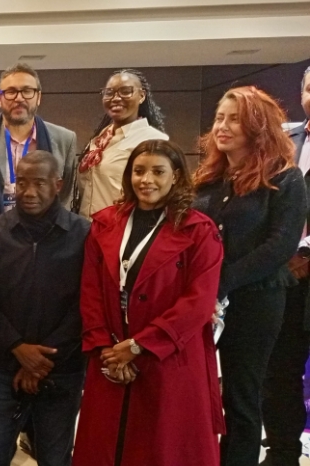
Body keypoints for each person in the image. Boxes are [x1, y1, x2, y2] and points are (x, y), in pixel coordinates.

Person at [75, 140, 225, 465]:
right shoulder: (105, 223)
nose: (146, 180)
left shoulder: (200, 231)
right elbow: (90, 292)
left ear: (176, 176)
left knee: (162, 449)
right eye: (139, 171)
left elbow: (198, 303)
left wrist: (139, 346)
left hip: (169, 356)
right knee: (105, 446)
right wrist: (106, 349)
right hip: (111, 355)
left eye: (158, 172)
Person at [192, 87, 307, 466]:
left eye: (234, 119)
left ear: (258, 125)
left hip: (256, 301)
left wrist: (220, 283)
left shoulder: (285, 178)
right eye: (219, 118)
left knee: (241, 399)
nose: (222, 127)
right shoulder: (207, 178)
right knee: (199, 395)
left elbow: (280, 246)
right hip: (202, 301)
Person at [0, 151, 89, 466]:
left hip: (62, 367)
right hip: (3, 364)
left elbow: (87, 303)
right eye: (22, 182)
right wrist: (18, 348)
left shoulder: (83, 234)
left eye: (39, 183)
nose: (28, 192)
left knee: (54, 458)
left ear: (58, 185)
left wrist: (41, 361)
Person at [263, 65, 310, 466]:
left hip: (301, 263)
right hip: (284, 277)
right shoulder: (283, 139)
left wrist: (307, 254)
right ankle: (282, 452)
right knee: (279, 371)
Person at [0, 63, 79, 221]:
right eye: (11, 92)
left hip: (43, 231)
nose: (19, 98)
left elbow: (65, 194)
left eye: (27, 91)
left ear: (38, 97)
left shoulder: (64, 139)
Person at [74, 69, 169, 219]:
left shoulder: (152, 141)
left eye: (125, 92)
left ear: (142, 96)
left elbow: (157, 196)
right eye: (109, 93)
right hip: (87, 228)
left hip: (121, 228)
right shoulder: (100, 139)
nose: (116, 98)